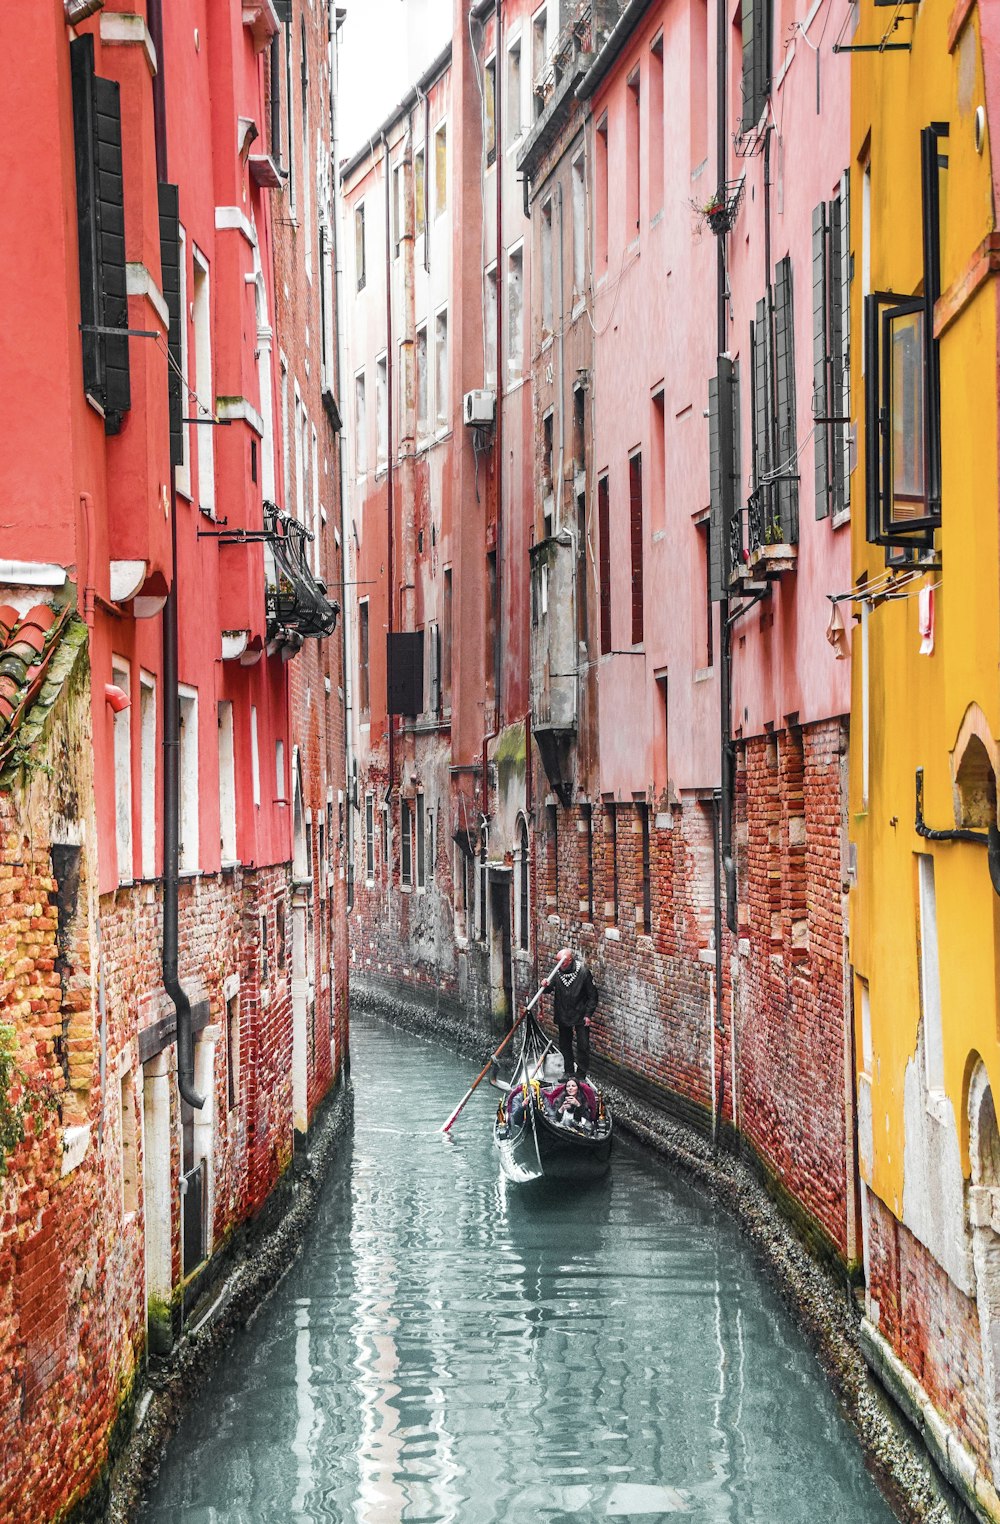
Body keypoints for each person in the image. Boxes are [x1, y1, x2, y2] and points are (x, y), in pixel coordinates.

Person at [544, 947, 597, 1081]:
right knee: (564, 1044)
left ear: (569, 960)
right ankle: (568, 1072)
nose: (559, 965)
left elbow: (593, 996)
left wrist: (588, 1014)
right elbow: (549, 989)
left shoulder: (583, 973)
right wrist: (545, 985)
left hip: (580, 1014)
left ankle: (581, 1074)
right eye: (558, 962)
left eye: (562, 963)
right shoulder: (557, 972)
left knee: (583, 1045)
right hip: (563, 1013)